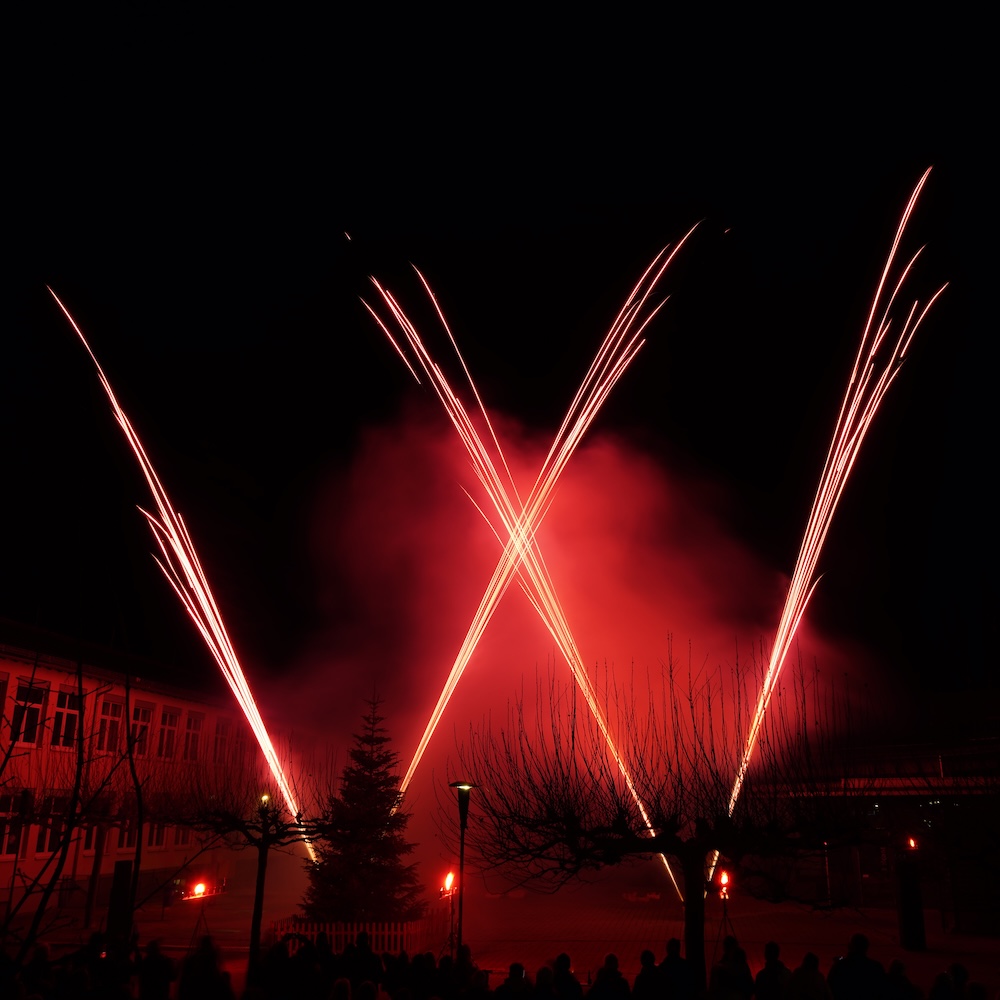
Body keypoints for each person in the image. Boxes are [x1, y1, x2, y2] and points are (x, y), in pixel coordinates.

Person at [827, 933, 885, 1000]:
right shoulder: (876, 968)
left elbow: (830, 989)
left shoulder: (840, 967)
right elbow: (882, 990)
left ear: (849, 947)